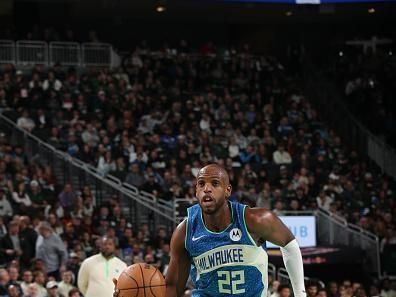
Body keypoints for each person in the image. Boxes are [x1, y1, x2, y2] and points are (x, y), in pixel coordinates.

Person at [113, 164, 306, 297]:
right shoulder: (185, 231)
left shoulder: (255, 220)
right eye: (201, 184)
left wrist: (300, 294)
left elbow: (289, 245)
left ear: (228, 190)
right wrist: (133, 292)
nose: (207, 189)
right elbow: (173, 288)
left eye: (215, 183)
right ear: (196, 191)